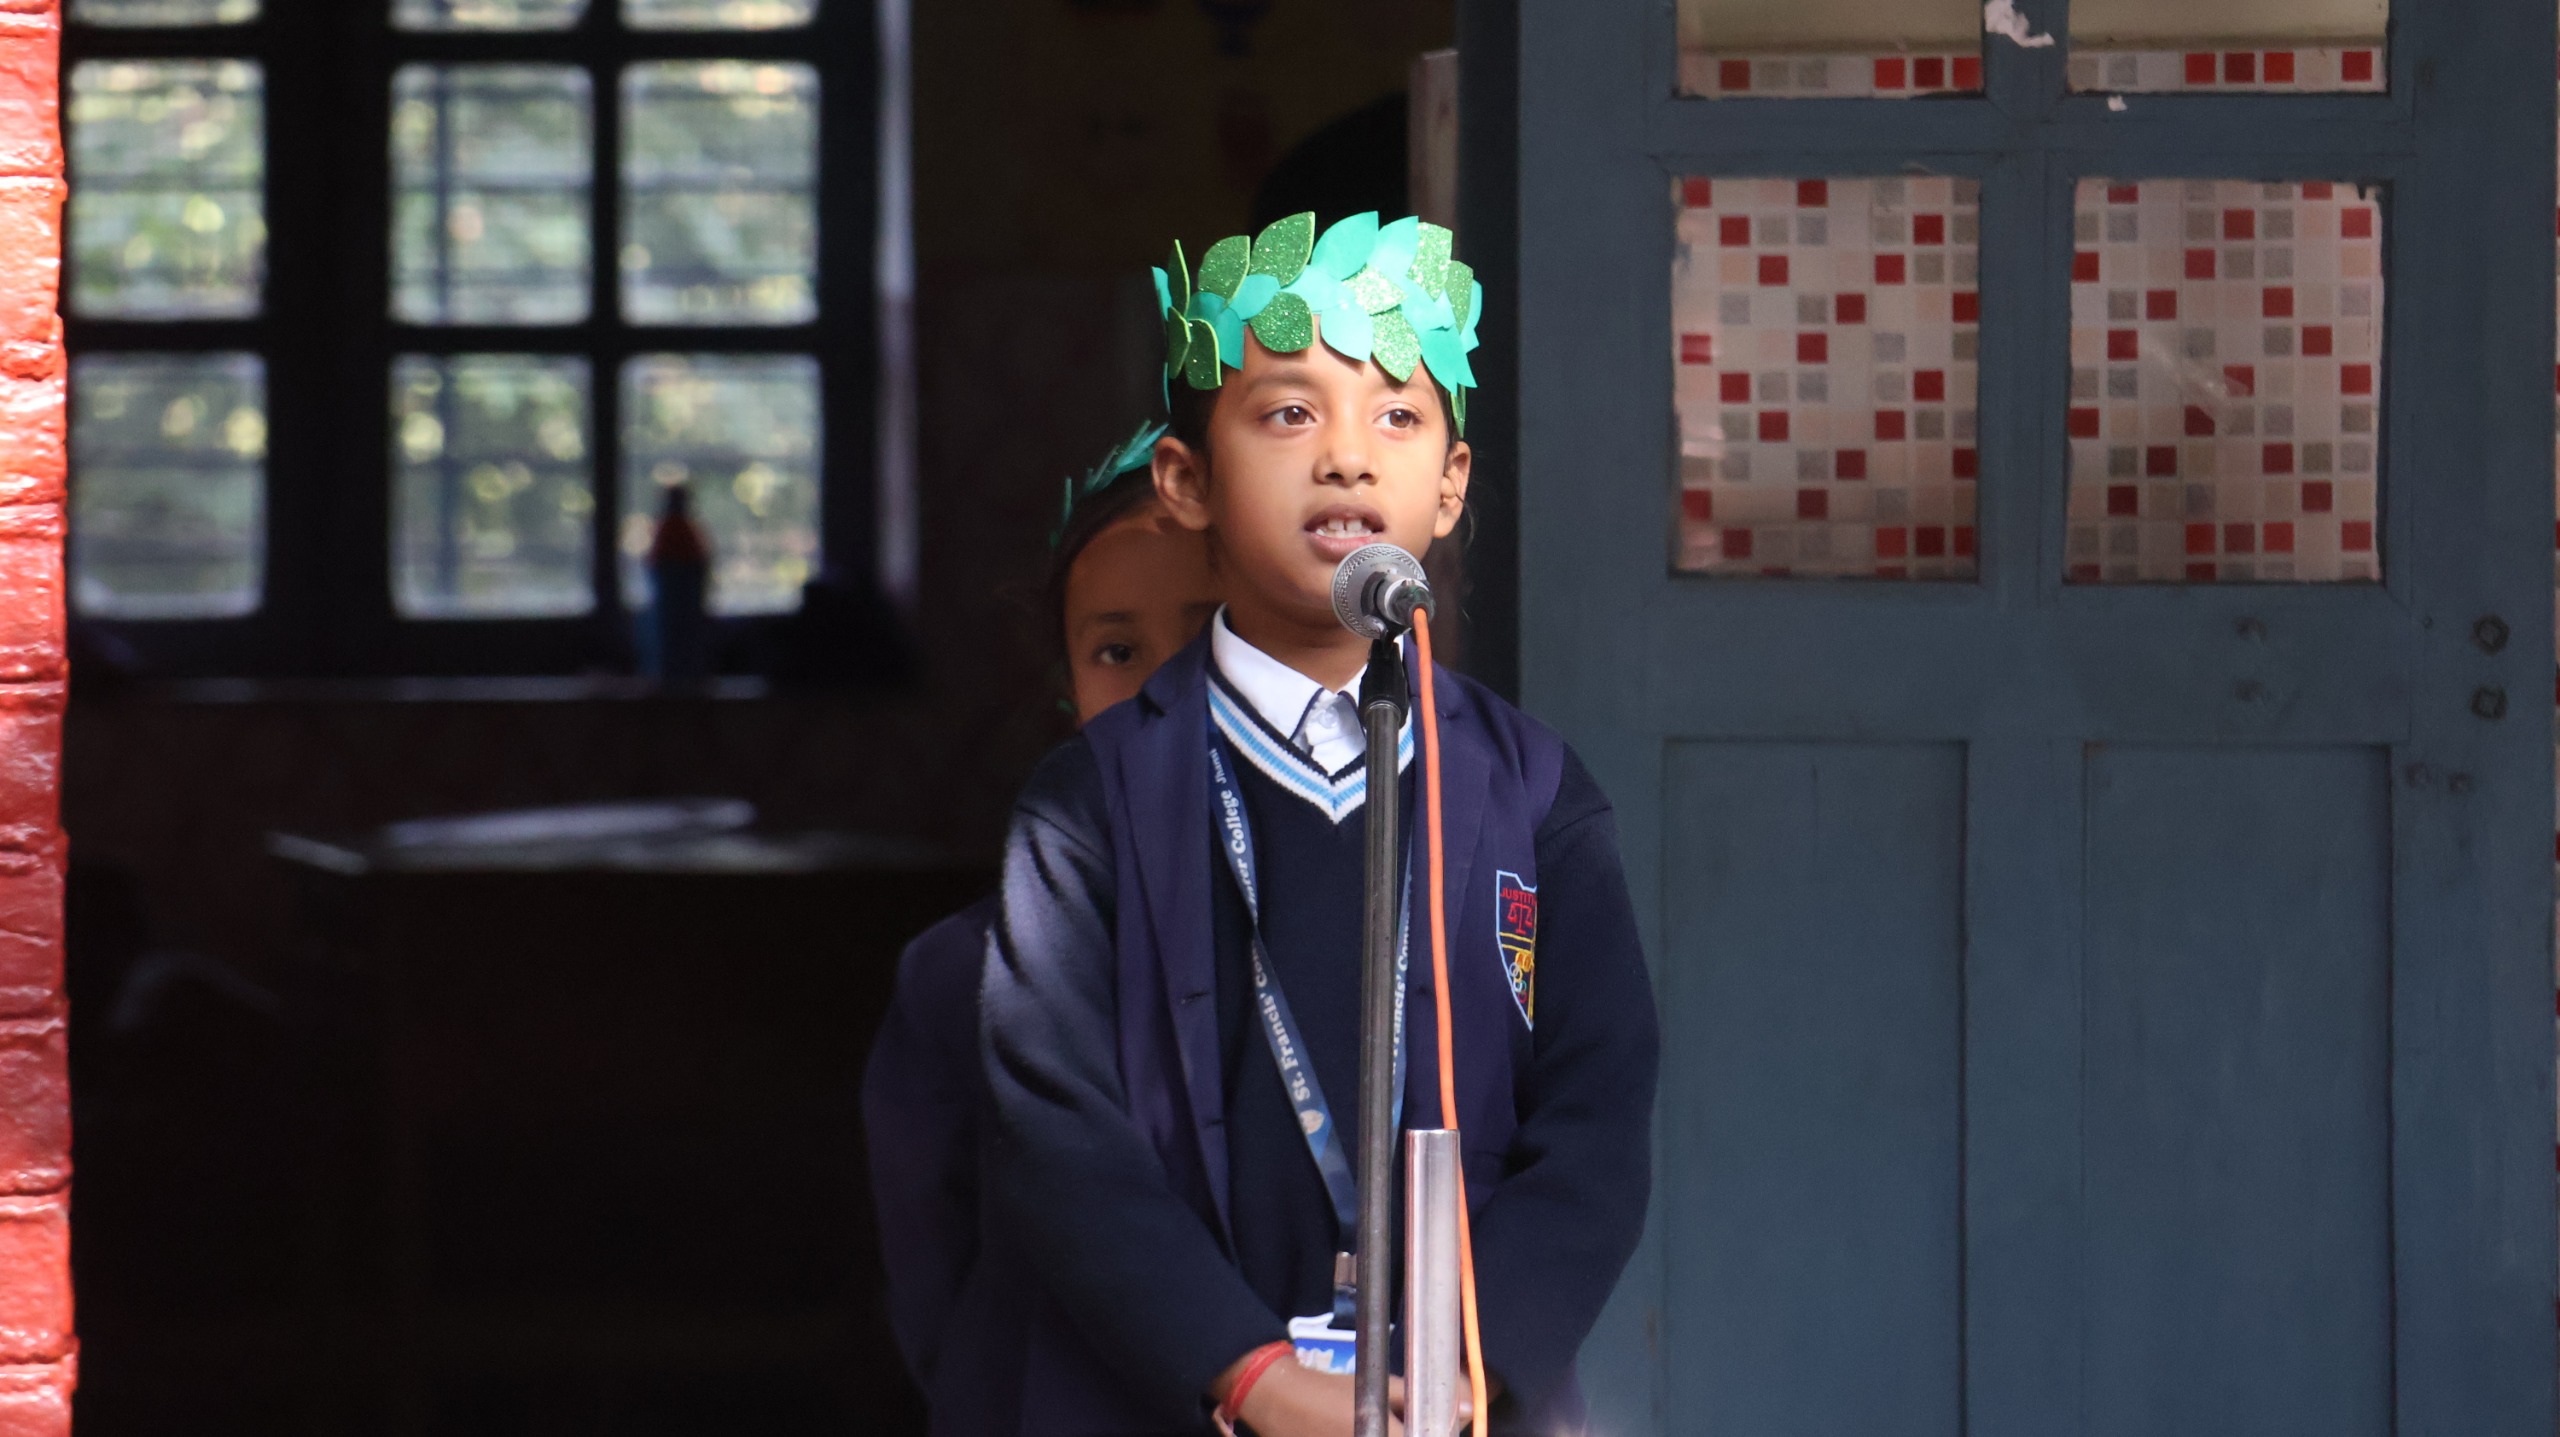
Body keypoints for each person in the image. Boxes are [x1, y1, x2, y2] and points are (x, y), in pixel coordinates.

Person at [979, 212, 1659, 1437]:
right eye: (1290, 413)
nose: (1347, 459)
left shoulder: (1534, 793)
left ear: (1449, 486)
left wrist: (1474, 1368)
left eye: (1396, 416)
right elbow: (1055, 1130)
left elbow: (1596, 1119)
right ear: (1187, 482)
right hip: (1182, 1397)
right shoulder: (1088, 807)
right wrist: (1245, 1373)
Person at [862, 423, 1221, 1424]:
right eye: (1117, 651)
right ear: (1069, 693)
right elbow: (936, 1281)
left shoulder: (1392, 934)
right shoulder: (960, 976)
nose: (1164, 689)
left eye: (1210, 635)